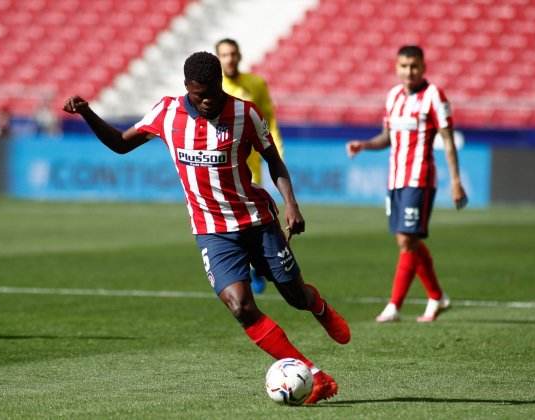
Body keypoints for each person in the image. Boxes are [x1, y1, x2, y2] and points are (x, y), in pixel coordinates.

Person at [63, 51, 350, 404]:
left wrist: (291, 203)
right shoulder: (166, 113)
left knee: (293, 295)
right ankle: (314, 373)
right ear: (187, 87)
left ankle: (317, 306)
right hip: (212, 230)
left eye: (214, 91)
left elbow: (273, 160)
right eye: (201, 94)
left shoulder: (245, 113)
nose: (209, 99)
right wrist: (89, 113)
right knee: (241, 306)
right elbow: (121, 145)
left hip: (257, 222)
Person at [346, 45, 468, 323]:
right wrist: (364, 145)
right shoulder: (393, 96)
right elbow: (387, 137)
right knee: (407, 239)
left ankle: (394, 305)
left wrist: (457, 181)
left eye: (413, 66)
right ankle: (437, 297)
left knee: (407, 240)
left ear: (423, 67)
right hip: (395, 179)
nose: (408, 71)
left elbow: (448, 140)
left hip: (420, 179)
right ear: (396, 67)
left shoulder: (435, 96)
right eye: (403, 66)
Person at [215, 38, 284, 295]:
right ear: (218, 58)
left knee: (248, 218)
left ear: (240, 55)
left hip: (249, 162)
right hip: (221, 164)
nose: (230, 58)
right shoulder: (213, 86)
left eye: (233, 53)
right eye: (224, 54)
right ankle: (244, 264)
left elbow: (269, 119)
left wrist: (276, 150)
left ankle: (254, 266)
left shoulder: (255, 84)